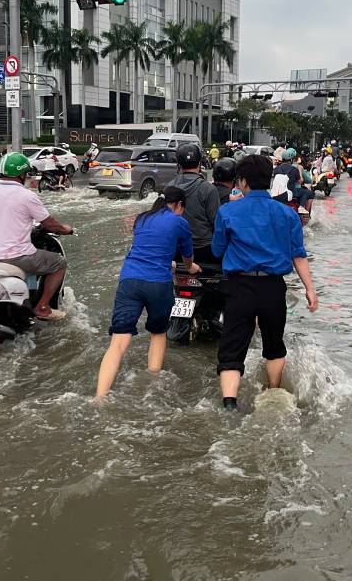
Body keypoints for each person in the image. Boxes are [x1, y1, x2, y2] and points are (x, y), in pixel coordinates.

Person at [212, 156, 318, 411]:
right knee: (274, 343)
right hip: (273, 287)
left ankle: (229, 405)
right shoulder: (287, 214)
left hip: (239, 287)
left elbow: (217, 250)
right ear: (269, 181)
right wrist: (310, 289)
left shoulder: (227, 211)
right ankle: (274, 392)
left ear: (243, 181)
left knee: (232, 347)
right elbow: (298, 255)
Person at [95, 187, 199, 397]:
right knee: (158, 333)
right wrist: (191, 268)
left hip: (130, 280)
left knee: (118, 342)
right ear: (179, 205)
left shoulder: (142, 218)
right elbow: (187, 257)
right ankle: (152, 387)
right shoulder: (180, 222)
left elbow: (147, 248)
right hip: (158, 284)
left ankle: (100, 396)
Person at [0, 152, 73, 320]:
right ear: (22, 174)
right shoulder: (27, 196)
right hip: (17, 257)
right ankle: (42, 307)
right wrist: (65, 229)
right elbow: (49, 223)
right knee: (59, 263)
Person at [170, 144, 222, 265]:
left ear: (179, 165)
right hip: (204, 249)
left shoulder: (169, 188)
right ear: (199, 164)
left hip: (177, 250)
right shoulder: (208, 189)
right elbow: (216, 222)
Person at [272, 148, 314, 214]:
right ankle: (303, 209)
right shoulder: (294, 169)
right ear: (291, 159)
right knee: (309, 193)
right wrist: (299, 169)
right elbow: (300, 181)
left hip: (277, 194)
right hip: (290, 192)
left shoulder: (276, 169)